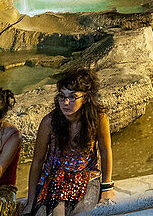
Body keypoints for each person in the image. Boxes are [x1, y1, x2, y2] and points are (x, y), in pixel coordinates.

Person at [24, 70, 114, 216]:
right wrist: (30, 201)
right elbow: (38, 161)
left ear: (85, 98)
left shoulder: (98, 118)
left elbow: (105, 150)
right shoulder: (49, 122)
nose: (65, 103)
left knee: (83, 212)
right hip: (53, 177)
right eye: (62, 96)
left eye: (72, 97)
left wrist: (107, 186)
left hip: (86, 175)